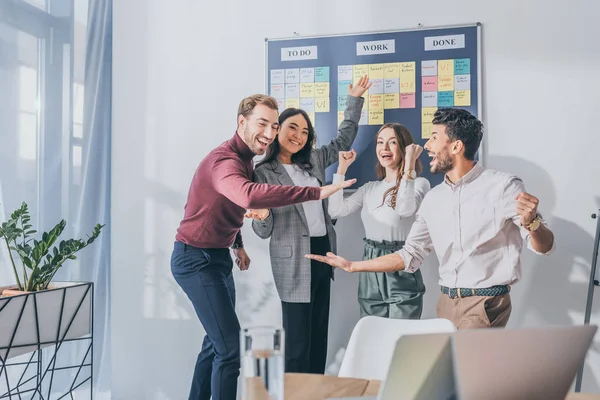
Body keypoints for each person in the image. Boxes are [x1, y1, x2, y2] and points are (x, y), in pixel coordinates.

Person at [171, 93, 355, 400]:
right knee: (230, 350)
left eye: (273, 125)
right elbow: (246, 196)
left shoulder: (246, 159)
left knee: (215, 343)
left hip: (217, 257)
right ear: (241, 121)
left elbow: (230, 208)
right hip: (195, 259)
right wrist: (315, 192)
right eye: (262, 124)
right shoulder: (225, 161)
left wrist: (237, 244)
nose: (269, 133)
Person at [306, 108, 555, 330]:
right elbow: (410, 254)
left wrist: (532, 223)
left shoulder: (502, 185)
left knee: (465, 373)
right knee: (447, 373)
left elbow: (544, 247)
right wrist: (352, 266)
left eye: (434, 137)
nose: (426, 145)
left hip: (485, 301)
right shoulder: (435, 198)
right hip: (446, 304)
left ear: (456, 146)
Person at [244, 76, 371, 374]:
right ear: (276, 130)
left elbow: (342, 140)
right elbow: (263, 229)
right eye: (292, 128)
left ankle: (316, 390)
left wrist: (354, 100)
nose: (298, 136)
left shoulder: (312, 159)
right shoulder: (263, 172)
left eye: (304, 131)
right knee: (297, 340)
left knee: (318, 333)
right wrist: (262, 217)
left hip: (323, 251)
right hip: (293, 259)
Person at [328, 123, 430, 319]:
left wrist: (409, 164)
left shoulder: (419, 184)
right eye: (380, 142)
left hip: (400, 263)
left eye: (392, 142)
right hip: (370, 263)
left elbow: (405, 209)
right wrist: (341, 169)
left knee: (401, 338)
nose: (385, 148)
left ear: (404, 147)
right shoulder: (370, 188)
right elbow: (336, 210)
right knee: (373, 335)